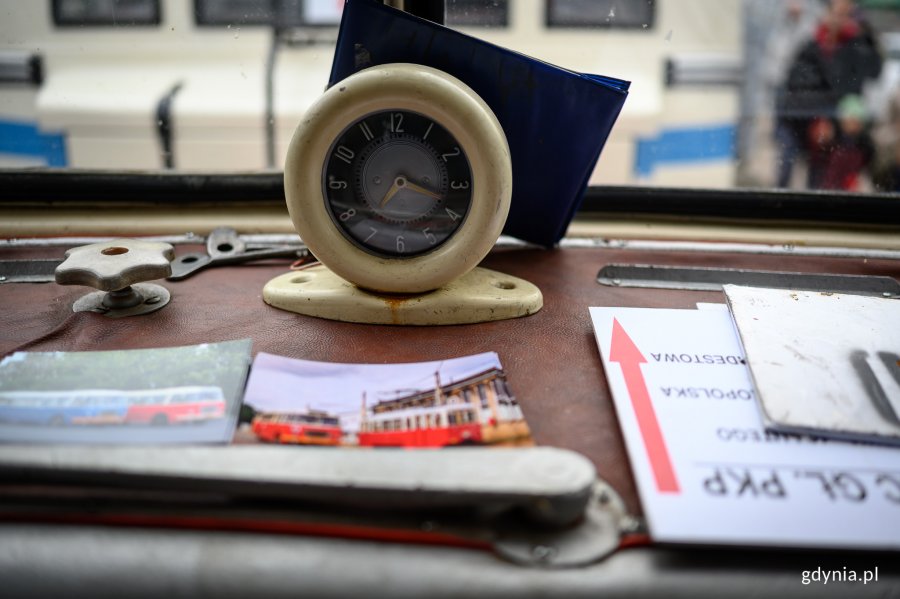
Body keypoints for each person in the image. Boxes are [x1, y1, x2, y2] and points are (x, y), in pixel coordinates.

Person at [774, 0, 882, 188]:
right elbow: (797, 82)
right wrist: (818, 117)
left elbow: (870, 74)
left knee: (828, 164)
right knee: (792, 157)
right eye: (836, 13)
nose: (838, 19)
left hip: (834, 122)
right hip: (806, 118)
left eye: (845, 14)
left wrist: (865, 33)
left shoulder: (855, 47)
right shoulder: (811, 44)